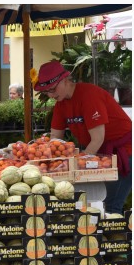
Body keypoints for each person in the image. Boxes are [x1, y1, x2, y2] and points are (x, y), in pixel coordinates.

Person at [35, 60, 132, 215]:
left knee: (112, 205)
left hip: (123, 152)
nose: (51, 95)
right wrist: (44, 159)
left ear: (65, 80)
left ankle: (114, 238)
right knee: (97, 204)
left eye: (53, 89)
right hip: (98, 154)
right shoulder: (61, 104)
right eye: (47, 92)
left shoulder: (89, 95)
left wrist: (77, 163)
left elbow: (97, 138)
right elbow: (55, 138)